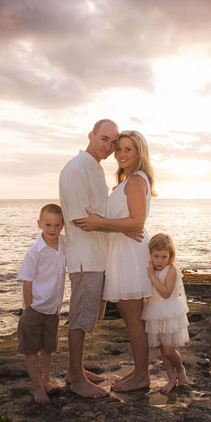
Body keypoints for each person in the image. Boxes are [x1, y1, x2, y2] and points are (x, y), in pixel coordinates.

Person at [73, 130, 154, 392]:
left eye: (128, 149)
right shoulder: (127, 180)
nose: (121, 154)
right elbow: (126, 221)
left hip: (130, 253)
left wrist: (100, 222)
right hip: (121, 249)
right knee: (132, 316)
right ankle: (139, 372)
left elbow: (137, 222)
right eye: (119, 149)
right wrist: (114, 226)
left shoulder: (136, 181)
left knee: (134, 318)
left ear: (139, 152)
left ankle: (142, 376)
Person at [58, 119, 119, 399]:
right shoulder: (75, 168)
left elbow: (97, 214)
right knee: (81, 318)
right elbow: (80, 219)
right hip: (85, 257)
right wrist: (124, 228)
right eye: (104, 139)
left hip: (99, 254)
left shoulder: (96, 170)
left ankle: (75, 370)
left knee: (90, 315)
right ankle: (77, 380)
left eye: (113, 142)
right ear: (91, 136)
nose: (109, 146)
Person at [16, 204, 67, 405]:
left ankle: (46, 379)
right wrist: (28, 309)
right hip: (35, 309)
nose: (52, 229)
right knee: (31, 350)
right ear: (39, 224)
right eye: (47, 224)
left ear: (62, 226)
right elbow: (27, 282)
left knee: (48, 348)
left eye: (56, 225)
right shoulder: (35, 252)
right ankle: (37, 387)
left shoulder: (63, 244)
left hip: (53, 309)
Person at [142, 233, 189, 395]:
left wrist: (152, 276)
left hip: (169, 312)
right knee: (162, 350)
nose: (160, 260)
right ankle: (171, 379)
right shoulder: (150, 268)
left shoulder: (172, 270)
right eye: (156, 256)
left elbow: (166, 293)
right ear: (150, 255)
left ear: (170, 256)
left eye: (164, 257)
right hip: (154, 312)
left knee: (169, 350)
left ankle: (180, 368)